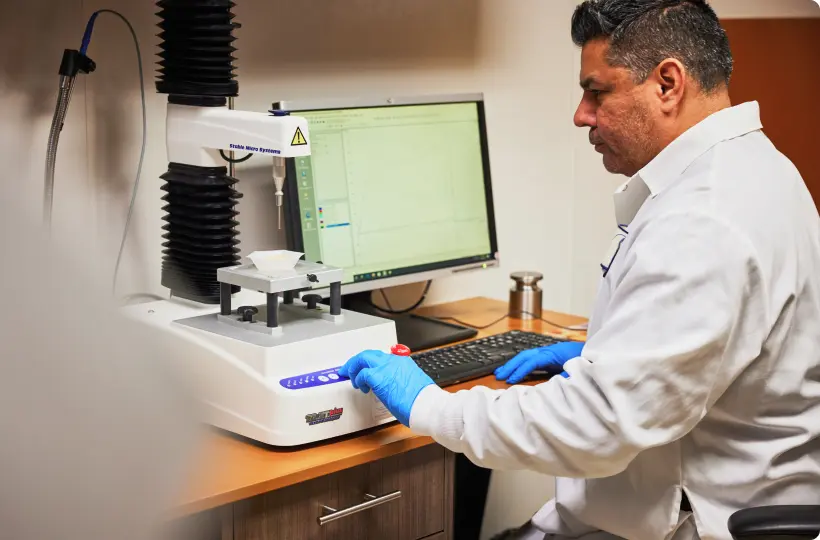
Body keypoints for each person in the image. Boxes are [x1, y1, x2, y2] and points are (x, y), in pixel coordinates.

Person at [339, 1, 820, 539]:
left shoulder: (704, 219)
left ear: (667, 84)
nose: (581, 115)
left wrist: (428, 404)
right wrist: (607, 354)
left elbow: (594, 425)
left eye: (598, 92)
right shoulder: (758, 168)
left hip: (687, 523)